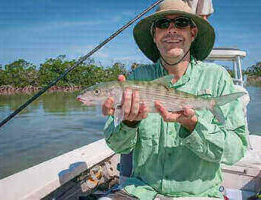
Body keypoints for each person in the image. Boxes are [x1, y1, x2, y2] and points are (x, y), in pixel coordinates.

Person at [101, 0, 247, 199]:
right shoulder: (137, 78)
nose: (171, 30)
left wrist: (194, 127)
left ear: (192, 33)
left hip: (199, 195)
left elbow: (235, 150)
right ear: (154, 35)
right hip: (141, 191)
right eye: (162, 24)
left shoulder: (217, 77)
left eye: (181, 23)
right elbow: (118, 147)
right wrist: (128, 122)